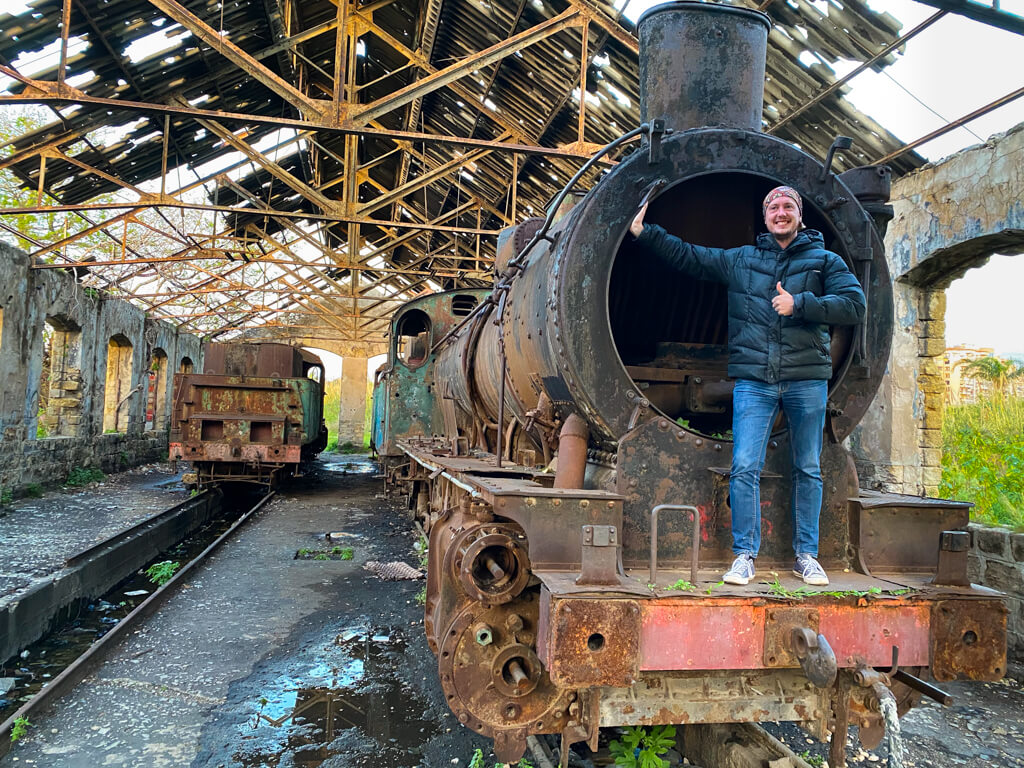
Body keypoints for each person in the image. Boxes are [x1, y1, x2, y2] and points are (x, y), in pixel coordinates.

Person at [630, 186, 866, 587]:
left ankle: (806, 556)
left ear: (799, 215)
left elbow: (855, 304)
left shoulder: (825, 261)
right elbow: (691, 257)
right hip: (755, 381)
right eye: (773, 207)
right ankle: (744, 556)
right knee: (744, 467)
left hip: (806, 380)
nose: (780, 212)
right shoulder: (743, 259)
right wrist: (645, 232)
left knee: (807, 468)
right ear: (765, 217)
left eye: (788, 206)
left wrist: (802, 305)